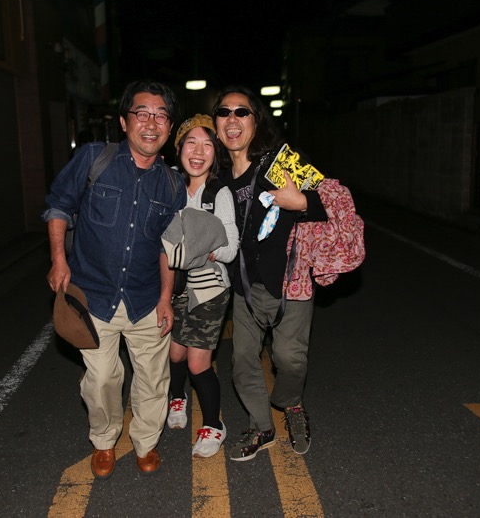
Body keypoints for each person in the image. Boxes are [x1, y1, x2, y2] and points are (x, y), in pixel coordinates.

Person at [44, 80, 186, 479]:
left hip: (145, 298)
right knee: (103, 378)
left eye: (161, 116)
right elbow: (59, 205)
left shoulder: (172, 184)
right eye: (142, 113)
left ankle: (145, 442)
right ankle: (104, 440)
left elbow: (169, 247)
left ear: (169, 128)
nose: (151, 123)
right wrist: (58, 259)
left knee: (153, 379)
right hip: (93, 295)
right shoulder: (94, 158)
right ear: (124, 121)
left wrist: (166, 297)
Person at [212, 86, 329, 461]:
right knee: (242, 362)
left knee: (290, 359)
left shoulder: (281, 161)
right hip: (245, 287)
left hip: (290, 282)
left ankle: (291, 403)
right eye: (224, 112)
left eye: (241, 112)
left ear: (256, 120)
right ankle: (262, 427)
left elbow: (332, 201)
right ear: (216, 124)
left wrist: (302, 201)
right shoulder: (217, 177)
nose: (232, 119)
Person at [164, 114, 239, 458]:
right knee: (174, 353)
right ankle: (176, 397)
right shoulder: (169, 186)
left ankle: (213, 425)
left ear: (216, 152)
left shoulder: (218, 192)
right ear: (179, 148)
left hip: (210, 288)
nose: (198, 152)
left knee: (197, 363)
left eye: (207, 144)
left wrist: (205, 249)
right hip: (175, 283)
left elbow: (230, 247)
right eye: (191, 143)